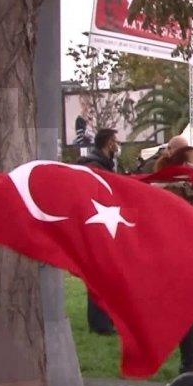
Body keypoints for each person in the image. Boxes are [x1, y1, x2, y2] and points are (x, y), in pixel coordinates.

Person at [153, 136, 193, 376]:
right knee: (188, 311)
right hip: (179, 255)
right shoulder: (167, 185)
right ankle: (189, 364)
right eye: (192, 154)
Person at [75, 129, 120, 335]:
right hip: (97, 227)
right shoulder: (94, 166)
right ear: (109, 143)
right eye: (115, 141)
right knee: (99, 277)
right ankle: (100, 324)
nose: (117, 145)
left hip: (103, 225)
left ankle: (105, 320)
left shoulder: (101, 164)